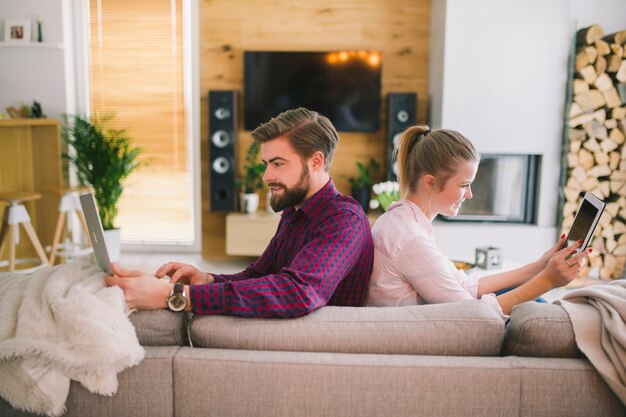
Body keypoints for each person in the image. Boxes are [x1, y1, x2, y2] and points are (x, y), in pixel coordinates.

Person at [105, 107, 374, 317]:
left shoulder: (343, 220)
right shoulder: (294, 213)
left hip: (313, 345)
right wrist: (207, 279)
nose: (267, 176)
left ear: (316, 161)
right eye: (266, 164)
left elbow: (297, 293)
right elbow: (257, 275)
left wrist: (175, 296)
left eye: (278, 164)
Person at [365, 125, 591, 319]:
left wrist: (539, 266)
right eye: (464, 185)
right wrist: (547, 280)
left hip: (434, 323)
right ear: (430, 183)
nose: (470, 194)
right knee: (538, 308)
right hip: (422, 334)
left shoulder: (405, 222)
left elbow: (467, 286)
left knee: (529, 299)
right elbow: (471, 315)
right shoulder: (409, 238)